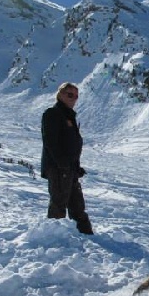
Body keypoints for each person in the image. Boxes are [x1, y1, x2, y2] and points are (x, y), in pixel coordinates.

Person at [40, 82, 93, 234]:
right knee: (59, 204)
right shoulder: (53, 114)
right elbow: (50, 141)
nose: (73, 98)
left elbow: (71, 146)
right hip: (58, 169)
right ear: (60, 95)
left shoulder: (69, 116)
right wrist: (61, 163)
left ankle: (88, 237)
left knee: (77, 206)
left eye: (76, 96)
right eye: (70, 95)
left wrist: (75, 167)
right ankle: (53, 237)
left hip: (70, 169)